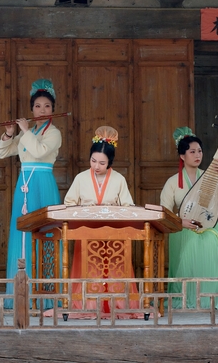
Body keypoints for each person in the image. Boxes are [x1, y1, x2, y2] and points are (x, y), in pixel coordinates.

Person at [45, 126, 143, 319]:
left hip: (114, 234)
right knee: (89, 269)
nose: (97, 166)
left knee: (115, 269)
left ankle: (117, 304)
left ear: (110, 162)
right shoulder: (81, 178)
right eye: (93, 161)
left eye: (102, 163)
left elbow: (128, 206)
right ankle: (87, 304)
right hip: (86, 232)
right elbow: (69, 203)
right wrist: (84, 210)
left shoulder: (119, 179)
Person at [0, 79, 62, 308]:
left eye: (47, 106)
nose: (42, 110)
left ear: (53, 109)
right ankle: (22, 292)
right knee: (23, 233)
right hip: (24, 184)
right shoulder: (30, 131)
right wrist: (8, 134)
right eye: (37, 106)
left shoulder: (54, 132)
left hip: (43, 184)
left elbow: (39, 151)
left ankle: (47, 294)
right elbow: (2, 152)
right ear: (32, 109)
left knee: (46, 234)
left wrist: (24, 131)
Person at [160, 126, 218, 309]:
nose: (197, 155)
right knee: (190, 243)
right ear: (182, 156)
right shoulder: (173, 182)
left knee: (210, 241)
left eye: (200, 151)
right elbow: (164, 211)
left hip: (208, 227)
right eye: (192, 151)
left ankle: (213, 297)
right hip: (183, 228)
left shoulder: (209, 177)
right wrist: (180, 222)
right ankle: (187, 297)